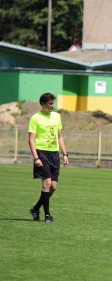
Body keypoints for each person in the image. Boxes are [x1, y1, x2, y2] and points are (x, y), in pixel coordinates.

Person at [28, 93, 69, 223]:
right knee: (46, 183)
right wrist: (36, 158)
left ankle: (35, 208)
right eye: (50, 103)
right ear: (43, 104)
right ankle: (47, 215)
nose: (52, 105)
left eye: (53, 103)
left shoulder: (57, 116)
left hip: (54, 154)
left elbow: (60, 137)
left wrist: (65, 154)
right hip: (42, 153)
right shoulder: (35, 118)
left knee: (53, 186)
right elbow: (31, 140)